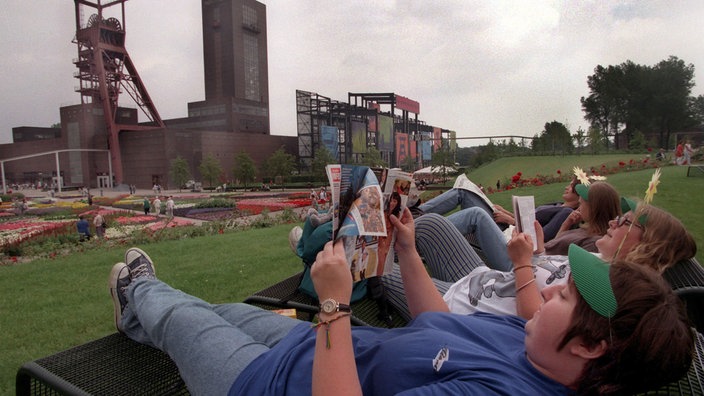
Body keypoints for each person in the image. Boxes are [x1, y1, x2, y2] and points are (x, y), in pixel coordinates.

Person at [109, 213, 693, 395]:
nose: (547, 291)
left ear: (591, 345)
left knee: (182, 317)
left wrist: (336, 305)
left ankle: (135, 287)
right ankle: (139, 312)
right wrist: (409, 251)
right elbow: (438, 330)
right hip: (317, 348)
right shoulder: (537, 346)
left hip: (269, 384)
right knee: (218, 311)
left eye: (564, 294)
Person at [382, 200, 697, 321]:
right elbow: (553, 276)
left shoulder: (608, 289)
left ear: (648, 246)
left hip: (461, 308)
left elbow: (536, 319)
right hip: (483, 279)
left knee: (380, 272)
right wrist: (539, 254)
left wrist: (521, 264)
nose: (614, 222)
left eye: (626, 222)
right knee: (432, 224)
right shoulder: (595, 256)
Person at [419, 175, 582, 243]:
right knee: (464, 191)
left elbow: (542, 235)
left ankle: (423, 225)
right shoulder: (557, 205)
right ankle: (418, 215)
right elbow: (531, 218)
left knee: (468, 199)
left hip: (508, 233)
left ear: (579, 194)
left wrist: (509, 220)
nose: (567, 187)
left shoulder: (566, 213)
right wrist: (506, 212)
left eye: (572, 186)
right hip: (507, 225)